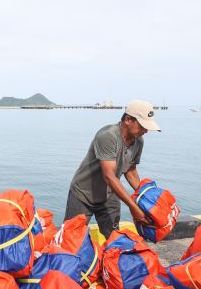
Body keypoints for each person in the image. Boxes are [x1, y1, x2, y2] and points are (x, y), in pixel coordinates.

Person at [65, 100, 160, 239]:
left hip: (110, 196)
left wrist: (144, 198)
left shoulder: (138, 140)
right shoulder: (108, 136)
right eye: (142, 126)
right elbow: (109, 176)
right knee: (70, 239)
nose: (145, 131)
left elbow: (130, 170)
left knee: (114, 238)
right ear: (128, 120)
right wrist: (134, 208)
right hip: (83, 195)